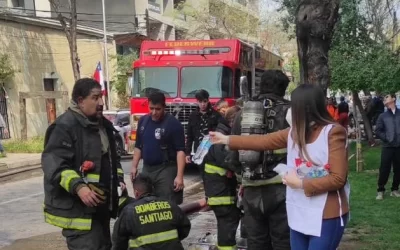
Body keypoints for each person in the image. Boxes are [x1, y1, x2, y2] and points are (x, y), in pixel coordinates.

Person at [211, 84, 350, 250]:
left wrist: (300, 184)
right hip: (298, 212)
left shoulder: (333, 132)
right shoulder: (294, 132)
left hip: (326, 215)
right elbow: (263, 141)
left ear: (304, 108)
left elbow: (338, 178)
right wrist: (227, 140)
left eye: (294, 105)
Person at [42, 78, 126, 250]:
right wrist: (79, 187)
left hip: (99, 209)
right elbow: (54, 164)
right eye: (95, 98)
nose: (101, 102)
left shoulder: (103, 126)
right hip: (78, 214)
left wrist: (118, 180)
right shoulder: (65, 126)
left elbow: (112, 160)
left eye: (101, 97)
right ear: (80, 101)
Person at [229, 70, 291, 250]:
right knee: (283, 242)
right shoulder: (291, 111)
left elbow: (232, 157)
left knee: (256, 243)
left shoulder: (244, 113)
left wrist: (245, 177)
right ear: (283, 89)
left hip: (252, 192)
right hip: (283, 190)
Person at [131, 92, 185, 205]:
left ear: (164, 107)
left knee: (167, 204)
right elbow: (138, 147)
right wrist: (134, 167)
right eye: (151, 108)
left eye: (158, 109)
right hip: (147, 169)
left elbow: (180, 151)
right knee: (144, 203)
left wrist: (179, 176)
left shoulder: (174, 124)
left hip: (165, 169)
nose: (154, 112)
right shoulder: (143, 122)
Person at [112, 174, 191, 250]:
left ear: (136, 193)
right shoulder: (170, 205)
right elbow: (185, 227)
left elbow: (118, 240)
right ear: (152, 189)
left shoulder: (129, 211)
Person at [203, 106, 242, 250]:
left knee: (227, 227)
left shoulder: (219, 134)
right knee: (228, 226)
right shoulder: (221, 138)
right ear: (233, 121)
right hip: (221, 194)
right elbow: (230, 162)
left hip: (219, 192)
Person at [185, 89, 224, 171]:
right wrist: (187, 153)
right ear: (197, 102)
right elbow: (190, 136)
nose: (203, 104)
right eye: (200, 102)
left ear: (208, 100)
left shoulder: (216, 115)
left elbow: (221, 134)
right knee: (202, 172)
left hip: (212, 151)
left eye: (204, 101)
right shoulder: (192, 116)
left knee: (211, 173)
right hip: (198, 151)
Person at [375, 93, 400, 200]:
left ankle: (394, 189)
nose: (385, 100)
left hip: (399, 146)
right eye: (384, 99)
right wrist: (386, 138)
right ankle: (380, 190)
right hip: (387, 147)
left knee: (398, 169)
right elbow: (378, 131)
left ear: (393, 99)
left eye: (387, 97)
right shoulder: (383, 116)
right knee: (384, 169)